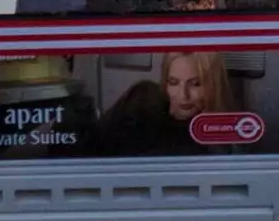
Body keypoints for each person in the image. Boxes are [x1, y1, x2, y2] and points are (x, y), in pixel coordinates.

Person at [96, 44, 240, 153]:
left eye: (195, 84)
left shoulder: (223, 137)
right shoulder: (142, 103)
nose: (183, 95)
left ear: (214, 85)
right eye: (173, 83)